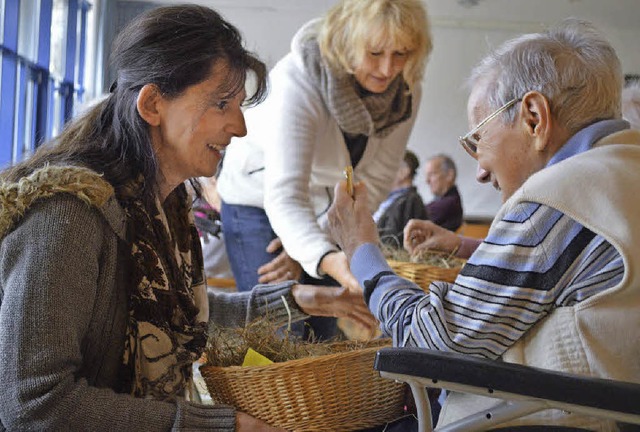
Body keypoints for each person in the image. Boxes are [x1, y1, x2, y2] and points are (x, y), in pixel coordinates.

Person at [0, 5, 376, 431]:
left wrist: (296, 300)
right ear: (153, 104)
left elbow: (175, 314)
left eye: (238, 105)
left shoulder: (163, 208)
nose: (240, 127)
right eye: (221, 103)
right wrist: (219, 426)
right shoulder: (67, 217)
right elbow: (35, 406)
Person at [328, 18, 640, 430]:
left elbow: (431, 345)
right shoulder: (621, 171)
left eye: (478, 137)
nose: (478, 171)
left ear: (533, 117)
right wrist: (465, 247)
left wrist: (361, 251)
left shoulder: (555, 199)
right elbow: (568, 269)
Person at [217, 0, 432, 338]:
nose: (388, 68)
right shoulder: (299, 80)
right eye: (375, 53)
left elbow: (372, 185)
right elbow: (285, 195)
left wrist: (307, 249)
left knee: (324, 332)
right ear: (348, 43)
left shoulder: (407, 91)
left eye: (401, 54)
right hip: (256, 198)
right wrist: (325, 258)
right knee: (281, 331)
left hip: (321, 206)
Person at [374, 149, 427, 247]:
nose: (384, 173)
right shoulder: (391, 199)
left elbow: (392, 243)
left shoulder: (410, 201)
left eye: (389, 168)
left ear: (404, 171)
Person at [423, 154, 463, 231]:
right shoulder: (443, 201)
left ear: (449, 175)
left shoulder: (449, 203)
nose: (427, 181)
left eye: (432, 174)